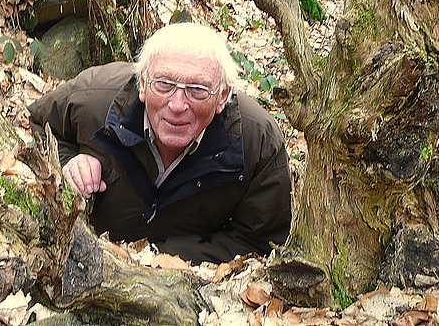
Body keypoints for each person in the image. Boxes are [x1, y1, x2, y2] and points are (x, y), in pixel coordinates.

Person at [28, 22, 292, 264]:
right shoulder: (92, 98)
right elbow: (38, 124)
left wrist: (161, 259)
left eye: (198, 90)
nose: (177, 105)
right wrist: (67, 161)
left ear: (222, 96)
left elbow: (260, 241)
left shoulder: (259, 143)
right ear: (143, 83)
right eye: (164, 84)